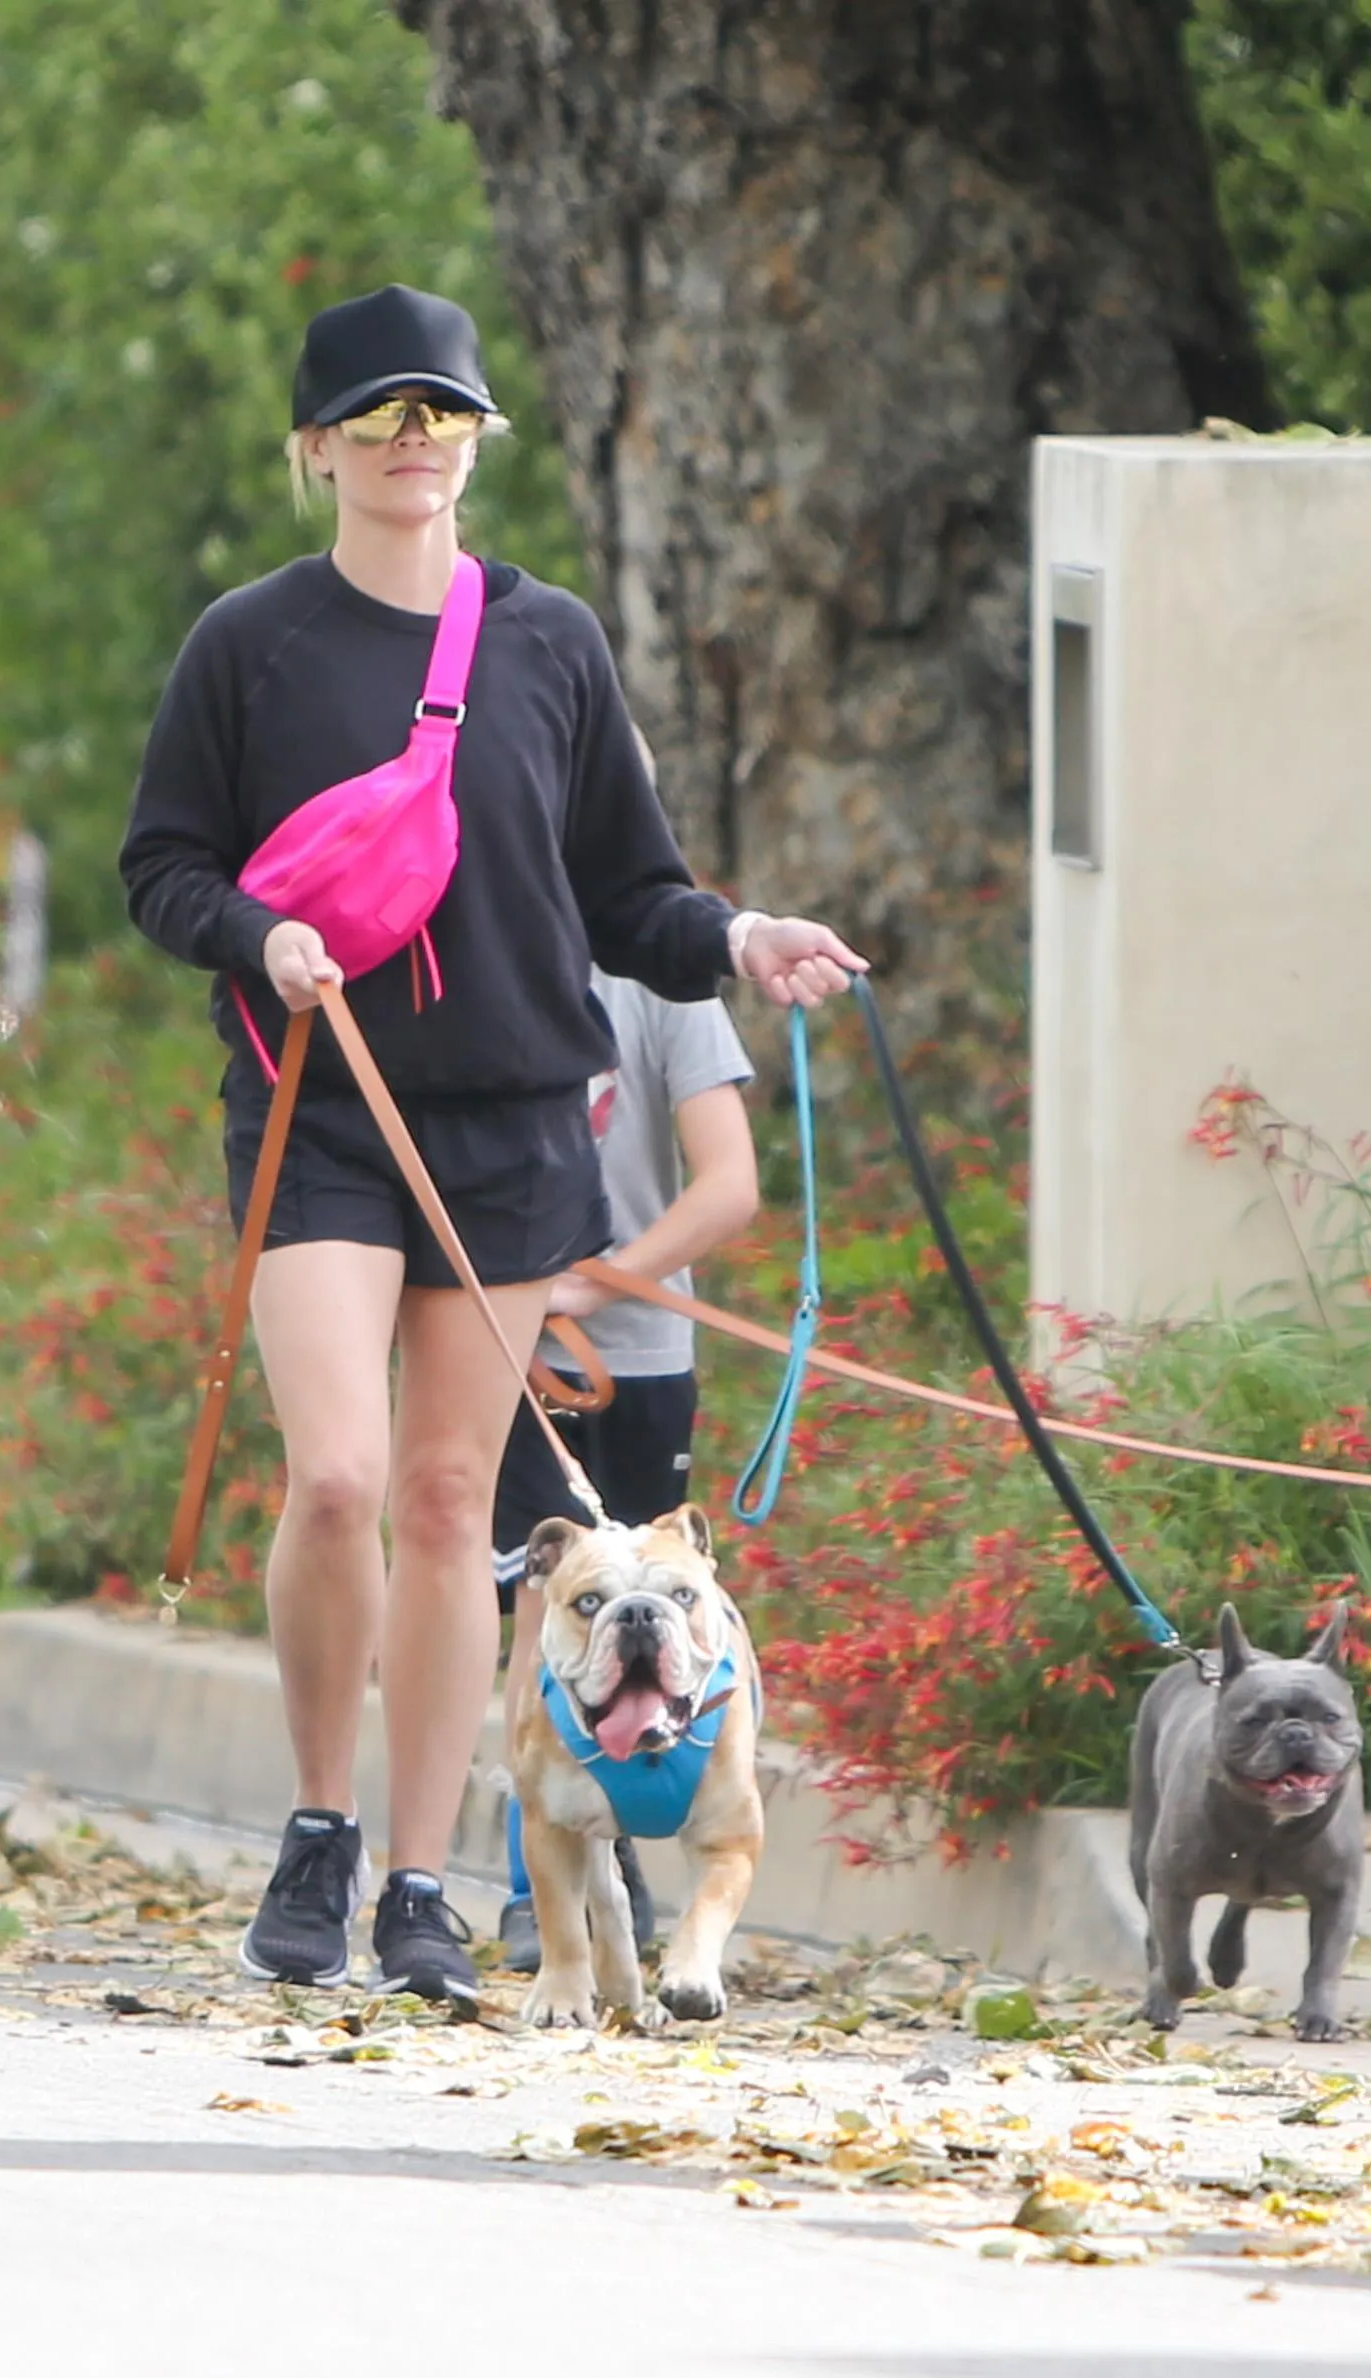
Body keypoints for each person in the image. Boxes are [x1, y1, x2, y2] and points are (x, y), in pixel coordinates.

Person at [118, 283, 864, 2007]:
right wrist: (255, 934)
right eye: (379, 416)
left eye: (442, 414)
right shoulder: (250, 642)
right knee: (340, 1476)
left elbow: (631, 893)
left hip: (518, 1127)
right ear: (316, 448)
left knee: (456, 1498)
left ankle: (416, 1881)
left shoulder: (551, 644)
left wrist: (741, 937)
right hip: (320, 1112)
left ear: (475, 441)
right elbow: (160, 866)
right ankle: (318, 1827)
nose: (414, 443)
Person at [488, 968, 757, 1970]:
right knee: (545, 1615)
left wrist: (600, 1284)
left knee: (657, 1619)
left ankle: (635, 1832)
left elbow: (729, 1185)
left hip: (642, 1353)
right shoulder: (486, 944)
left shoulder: (662, 978)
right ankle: (541, 1881)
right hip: (503, 1347)